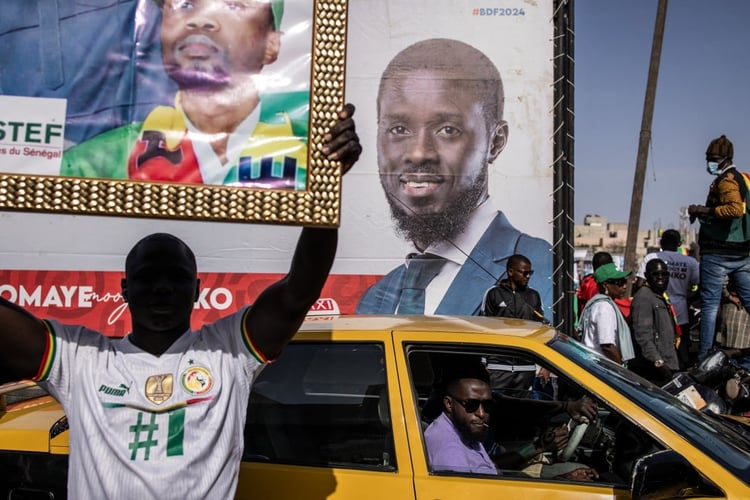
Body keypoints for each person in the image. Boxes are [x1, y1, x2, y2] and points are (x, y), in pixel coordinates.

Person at [0, 106, 361, 498]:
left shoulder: (227, 353)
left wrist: (327, 184)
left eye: (175, 278)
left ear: (197, 289)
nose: (161, 288)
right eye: (147, 278)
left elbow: (298, 292)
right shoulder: (81, 361)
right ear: (124, 289)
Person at [355, 38, 552, 318]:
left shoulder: (542, 267)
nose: (419, 153)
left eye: (448, 129)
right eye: (399, 128)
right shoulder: (376, 298)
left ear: (496, 142)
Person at [61, 0, 311, 189]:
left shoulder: (310, 148)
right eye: (186, 4)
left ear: (272, 44)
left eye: (233, 5)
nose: (201, 21)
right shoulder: (94, 164)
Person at [424, 359, 598, 481]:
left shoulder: (465, 430)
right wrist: (561, 482)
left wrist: (539, 447)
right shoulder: (449, 452)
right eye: (472, 405)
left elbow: (490, 468)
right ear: (448, 403)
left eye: (488, 405)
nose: (482, 413)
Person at [688, 135, 750, 361]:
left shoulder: (727, 180)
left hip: (719, 252)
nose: (709, 163)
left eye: (713, 158)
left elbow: (735, 209)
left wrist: (706, 211)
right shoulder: (743, 179)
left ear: (725, 159)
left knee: (710, 306)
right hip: (741, 253)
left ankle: (704, 357)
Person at [634, 229, 699, 368]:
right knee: (681, 346)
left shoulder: (651, 257)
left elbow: (639, 284)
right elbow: (702, 285)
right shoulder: (690, 262)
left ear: (661, 242)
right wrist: (689, 298)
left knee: (660, 343)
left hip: (655, 308)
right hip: (681, 310)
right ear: (679, 243)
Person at [629, 259, 680, 385]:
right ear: (646, 276)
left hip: (668, 364)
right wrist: (658, 363)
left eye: (664, 274)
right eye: (656, 274)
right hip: (654, 371)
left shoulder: (659, 296)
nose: (660, 278)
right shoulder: (644, 297)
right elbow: (643, 336)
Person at [578, 263, 636, 366]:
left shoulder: (598, 303)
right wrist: (621, 369)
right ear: (605, 285)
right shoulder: (604, 307)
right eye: (620, 282)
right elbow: (607, 345)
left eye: (625, 282)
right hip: (600, 367)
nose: (624, 286)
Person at [481, 254, 547, 322]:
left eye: (530, 273)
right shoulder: (493, 293)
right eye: (525, 273)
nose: (528, 276)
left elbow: (540, 324)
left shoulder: (534, 295)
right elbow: (486, 323)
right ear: (510, 272)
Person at [716, 276, 750, 350]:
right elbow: (721, 282)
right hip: (735, 308)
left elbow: (721, 281)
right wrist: (729, 296)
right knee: (731, 350)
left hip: (737, 308)